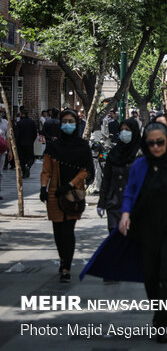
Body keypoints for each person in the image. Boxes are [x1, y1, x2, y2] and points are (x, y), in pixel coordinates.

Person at [82, 121, 167, 343]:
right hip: (145, 228)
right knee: (150, 275)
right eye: (151, 143)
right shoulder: (140, 165)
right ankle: (159, 311)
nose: (156, 146)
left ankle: (163, 321)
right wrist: (126, 213)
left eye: (160, 142)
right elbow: (130, 192)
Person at [40, 109, 94, 282]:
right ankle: (63, 258)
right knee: (57, 229)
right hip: (54, 193)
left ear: (76, 124)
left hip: (73, 194)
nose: (68, 125)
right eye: (65, 121)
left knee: (68, 230)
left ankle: (66, 267)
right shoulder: (53, 146)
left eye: (71, 121)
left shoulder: (82, 146)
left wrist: (70, 185)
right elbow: (46, 170)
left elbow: (86, 171)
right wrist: (43, 188)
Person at [97, 118, 141, 233]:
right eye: (122, 130)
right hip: (114, 205)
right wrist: (102, 202)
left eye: (127, 130)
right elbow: (106, 179)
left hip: (135, 207)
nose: (124, 132)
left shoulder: (141, 155)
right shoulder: (114, 153)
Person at [15, 110, 38, 178]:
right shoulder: (32, 122)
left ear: (22, 114)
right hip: (29, 143)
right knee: (31, 157)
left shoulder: (19, 123)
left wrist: (17, 143)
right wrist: (32, 140)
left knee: (22, 158)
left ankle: (24, 172)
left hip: (21, 143)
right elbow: (35, 133)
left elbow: (17, 134)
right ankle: (28, 165)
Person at [0, 109, 12, 200]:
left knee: (0, 173)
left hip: (2, 151)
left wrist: (10, 151)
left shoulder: (5, 123)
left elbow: (8, 138)